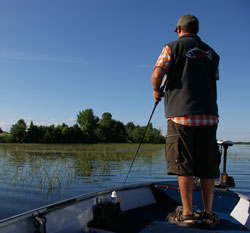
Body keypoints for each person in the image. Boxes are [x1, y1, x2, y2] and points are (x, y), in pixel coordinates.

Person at [151, 14, 221, 229]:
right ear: (196, 30)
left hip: (181, 116)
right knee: (208, 167)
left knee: (184, 165)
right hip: (209, 116)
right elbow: (215, 77)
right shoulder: (212, 53)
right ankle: (209, 215)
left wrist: (156, 90)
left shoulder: (171, 47)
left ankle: (188, 214)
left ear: (179, 30)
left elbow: (156, 74)